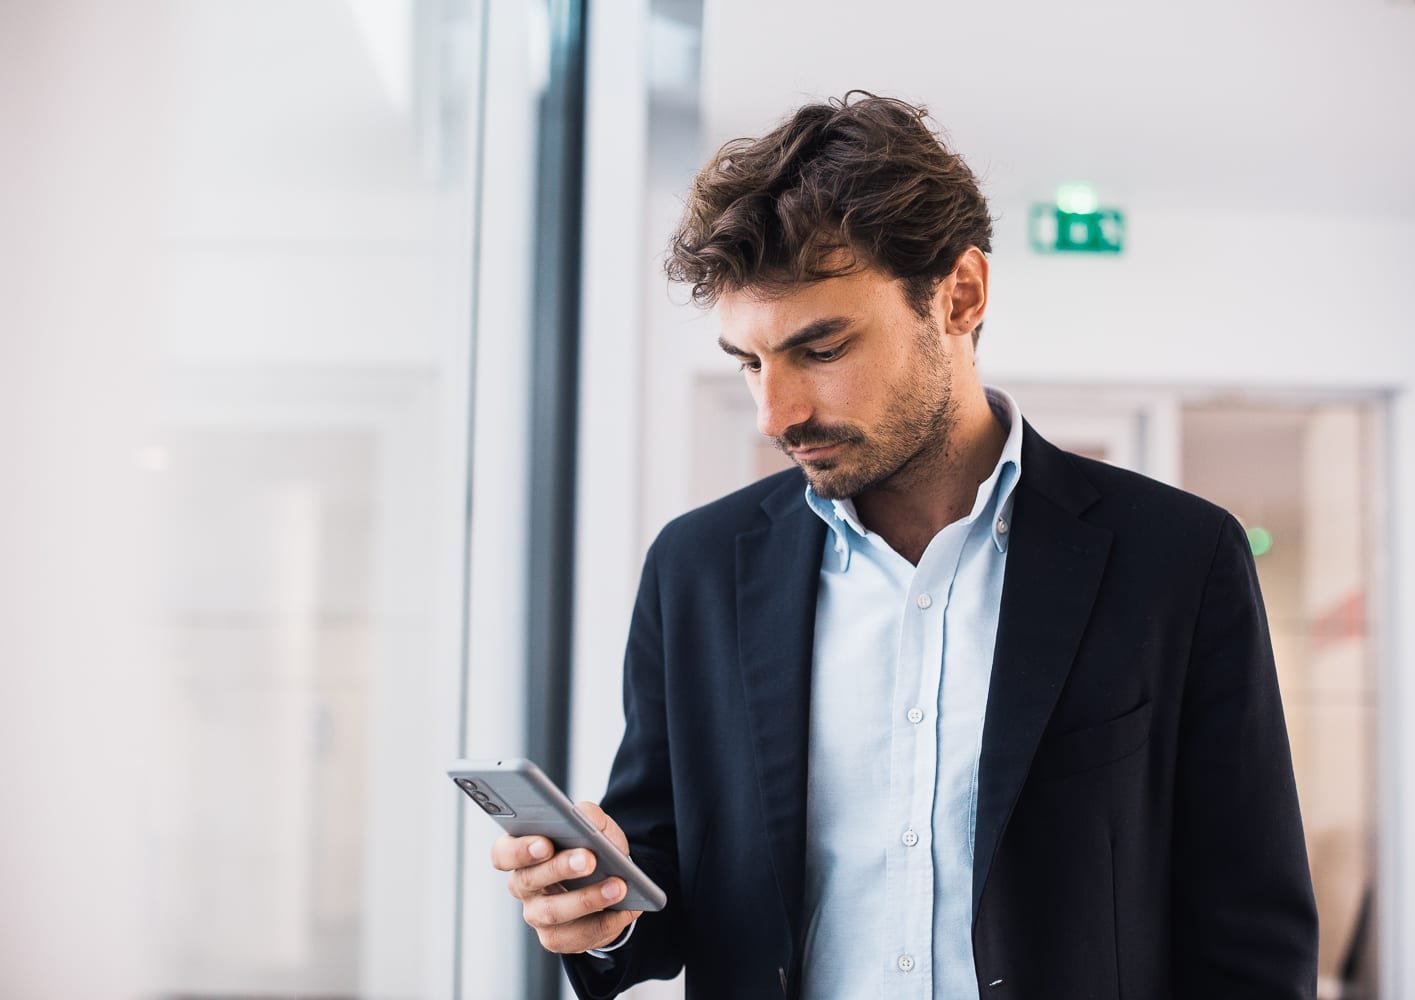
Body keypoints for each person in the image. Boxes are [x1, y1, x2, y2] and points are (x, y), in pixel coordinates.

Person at [491, 93, 1318, 1000]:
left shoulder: (1178, 560)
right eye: (749, 362)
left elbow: (1250, 932)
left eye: (822, 348)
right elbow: (667, 884)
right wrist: (599, 913)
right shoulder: (696, 570)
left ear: (959, 295)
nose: (776, 414)